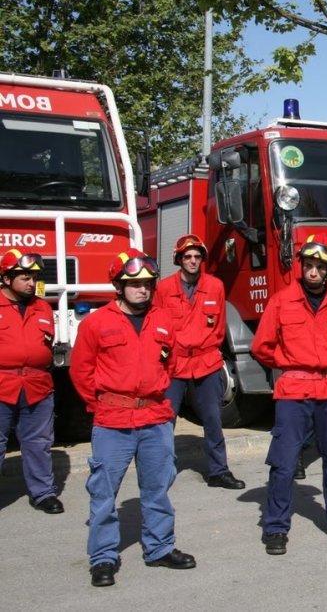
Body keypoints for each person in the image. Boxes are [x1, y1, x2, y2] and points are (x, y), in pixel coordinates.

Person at [70, 250, 195, 587]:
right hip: (112, 419)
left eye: (147, 284)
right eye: (135, 284)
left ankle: (159, 548)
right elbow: (81, 371)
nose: (143, 290)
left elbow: (170, 365)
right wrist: (102, 404)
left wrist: (158, 398)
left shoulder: (164, 320)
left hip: (155, 417)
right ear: (119, 286)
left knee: (157, 489)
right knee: (104, 494)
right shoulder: (97, 323)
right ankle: (103, 557)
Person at [252, 236, 327, 556]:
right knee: (285, 462)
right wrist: (293, 364)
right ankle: (275, 526)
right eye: (309, 266)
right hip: (294, 388)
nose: (314, 272)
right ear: (301, 266)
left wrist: (324, 366)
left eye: (320, 267)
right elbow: (261, 345)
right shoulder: (281, 301)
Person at [153, 235, 246, 489]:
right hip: (174, 363)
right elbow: (157, 327)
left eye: (196, 257)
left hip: (207, 363)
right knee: (164, 419)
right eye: (187, 257)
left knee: (213, 419)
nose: (193, 261)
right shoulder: (162, 289)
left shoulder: (215, 286)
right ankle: (160, 472)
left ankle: (219, 471)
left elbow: (218, 328)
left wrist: (204, 348)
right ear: (179, 260)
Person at [0, 249, 63, 514]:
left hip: (37, 386)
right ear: (6, 278)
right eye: (25, 276)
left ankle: (43, 493)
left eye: (34, 277)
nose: (31, 282)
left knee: (38, 443)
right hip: (2, 384)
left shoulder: (43, 308)